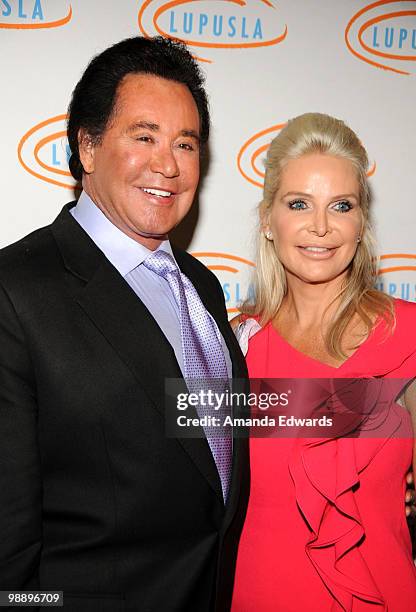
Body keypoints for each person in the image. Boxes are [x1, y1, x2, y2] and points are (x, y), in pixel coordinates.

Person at [0, 36, 249, 612]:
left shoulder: (201, 285)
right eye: (144, 137)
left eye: (186, 144)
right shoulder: (15, 291)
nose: (168, 164)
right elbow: (9, 542)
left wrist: (383, 414)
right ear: (87, 147)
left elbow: (210, 449)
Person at [230, 113, 416, 611]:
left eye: (341, 205)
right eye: (298, 204)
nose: (320, 226)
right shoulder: (236, 346)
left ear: (361, 223)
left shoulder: (410, 338)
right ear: (269, 221)